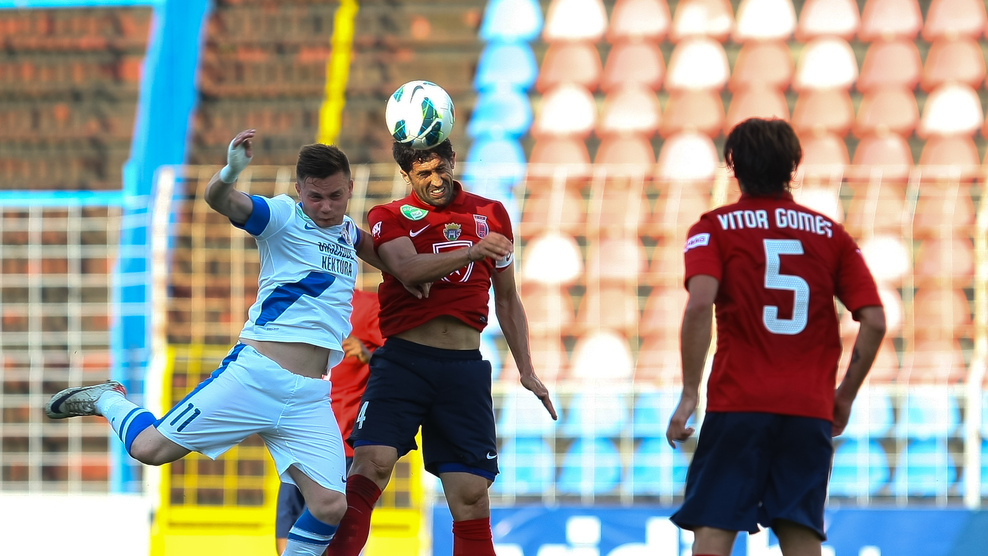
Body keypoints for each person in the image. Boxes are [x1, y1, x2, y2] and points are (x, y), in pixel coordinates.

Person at [44, 129, 412, 556]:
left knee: (331, 505)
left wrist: (431, 272)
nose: (326, 207)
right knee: (149, 449)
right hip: (256, 376)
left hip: (310, 396)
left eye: (335, 196)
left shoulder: (349, 233)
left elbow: (396, 263)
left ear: (349, 187)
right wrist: (231, 171)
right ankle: (108, 398)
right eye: (315, 197)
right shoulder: (282, 216)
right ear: (299, 191)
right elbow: (221, 199)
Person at [325, 138, 557, 556]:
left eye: (440, 168)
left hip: (464, 369)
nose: (435, 180)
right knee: (370, 465)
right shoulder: (388, 216)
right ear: (406, 175)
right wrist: (472, 251)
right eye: (423, 173)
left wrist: (526, 369)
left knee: (471, 496)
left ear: (452, 159)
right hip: (403, 363)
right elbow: (406, 267)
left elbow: (507, 298)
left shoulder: (491, 214)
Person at [665, 118, 887, 556]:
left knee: (714, 530)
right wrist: (844, 396)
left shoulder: (713, 228)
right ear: (793, 166)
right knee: (800, 533)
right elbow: (875, 320)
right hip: (808, 409)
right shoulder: (832, 236)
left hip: (738, 404)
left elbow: (699, 304)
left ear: (734, 166)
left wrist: (690, 393)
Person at [275, 289, 383, 554]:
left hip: (342, 442)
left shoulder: (368, 307)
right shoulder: (300, 301)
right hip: (300, 437)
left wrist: (367, 355)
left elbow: (398, 361)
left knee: (332, 528)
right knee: (286, 527)